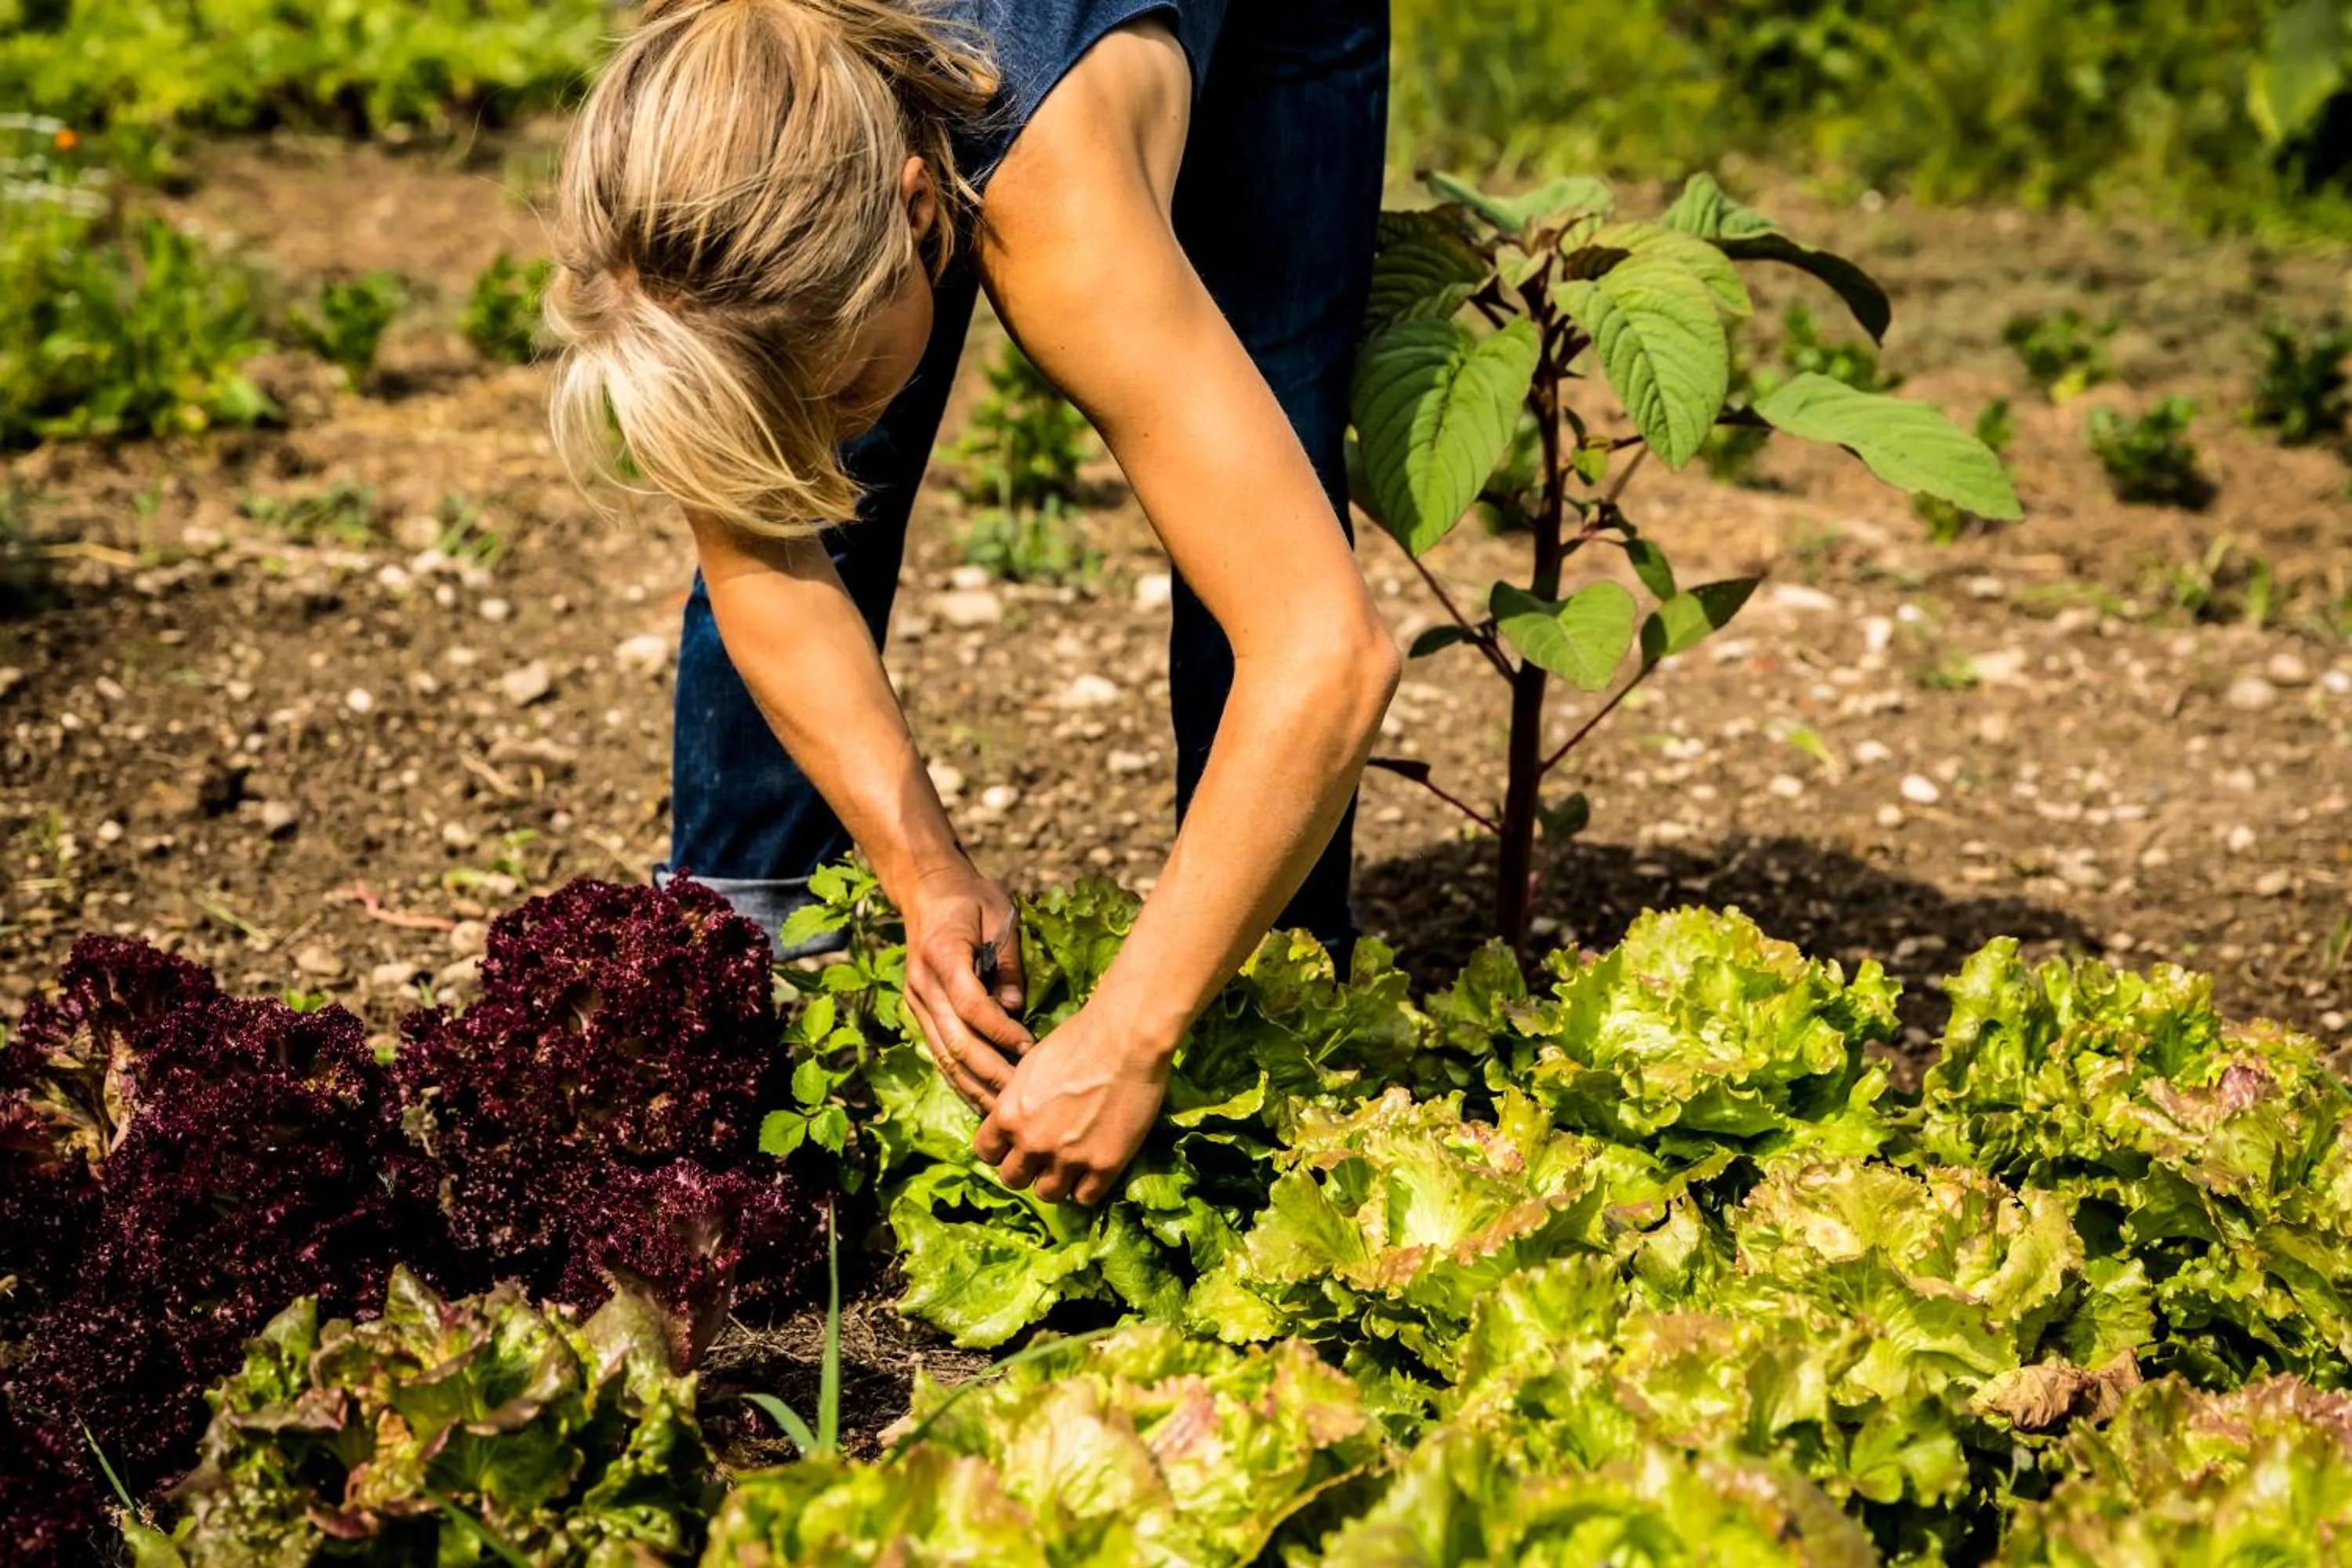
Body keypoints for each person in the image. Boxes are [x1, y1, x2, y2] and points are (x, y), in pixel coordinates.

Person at [543, 0, 1397, 1207]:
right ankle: (747, 969)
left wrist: (1128, 1037)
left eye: (838, 390)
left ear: (917, 203)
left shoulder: (1059, 204)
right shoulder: (695, 168)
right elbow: (760, 546)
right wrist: (924, 872)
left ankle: (1276, 1004)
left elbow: (1324, 652)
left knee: (1262, 480)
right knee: (795, 458)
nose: (821, 444)